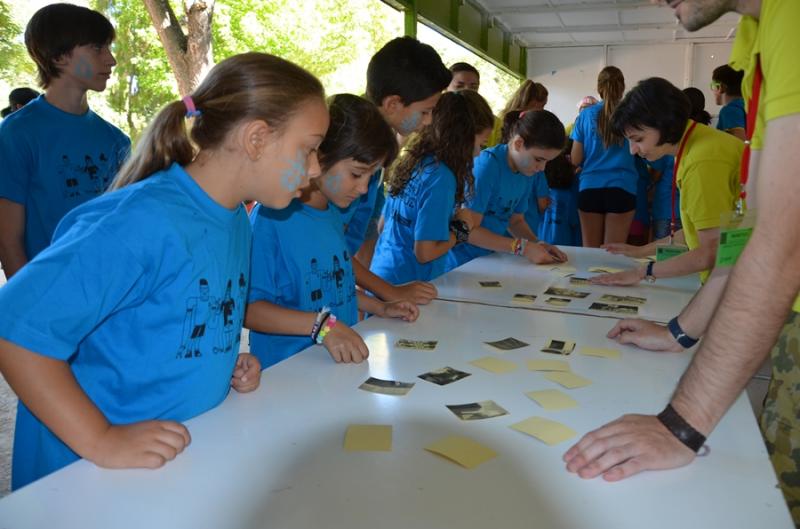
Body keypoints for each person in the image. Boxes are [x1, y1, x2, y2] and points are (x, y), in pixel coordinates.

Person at [0, 51, 330, 489]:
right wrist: (102, 439)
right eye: (308, 148)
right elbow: (16, 330)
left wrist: (221, 362)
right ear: (256, 139)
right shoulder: (143, 221)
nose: (316, 168)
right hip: (84, 478)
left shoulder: (233, 219)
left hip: (169, 467)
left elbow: (179, 318)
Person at [563, 3, 800, 525]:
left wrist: (682, 424)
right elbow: (743, 240)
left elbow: (779, 240)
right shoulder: (761, 38)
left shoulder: (706, 154)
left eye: (636, 139)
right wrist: (678, 332)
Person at [246, 94, 417, 369]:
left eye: (371, 177)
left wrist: (380, 307)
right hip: (288, 375)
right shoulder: (272, 217)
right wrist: (322, 327)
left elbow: (332, 288)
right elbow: (249, 309)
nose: (363, 190)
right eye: (356, 174)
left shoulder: (333, 213)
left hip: (338, 370)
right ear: (320, 156)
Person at [0, 4, 131, 279]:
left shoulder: (116, 140)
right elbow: (8, 239)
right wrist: (30, 306)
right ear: (60, 56)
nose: (111, 60)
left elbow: (123, 227)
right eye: (98, 48)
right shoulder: (17, 134)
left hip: (108, 295)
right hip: (47, 299)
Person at [591, 78, 742, 286]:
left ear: (664, 124)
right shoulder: (696, 145)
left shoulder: (702, 160)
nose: (632, 150)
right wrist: (641, 250)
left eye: (638, 139)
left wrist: (643, 271)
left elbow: (711, 251)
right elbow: (698, 230)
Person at [341, 36, 452, 307]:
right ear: (392, 104)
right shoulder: (347, 151)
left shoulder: (380, 155)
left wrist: (364, 295)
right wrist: (389, 293)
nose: (428, 122)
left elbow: (366, 229)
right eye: (425, 112)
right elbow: (328, 247)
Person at [370, 90, 494, 285]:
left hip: (383, 273)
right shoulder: (441, 178)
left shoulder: (414, 161)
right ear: (460, 137)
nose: (478, 153)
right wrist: (461, 229)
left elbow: (383, 226)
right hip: (409, 284)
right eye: (479, 143)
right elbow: (425, 253)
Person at [445, 110, 569, 271]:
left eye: (547, 162)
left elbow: (515, 220)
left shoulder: (526, 170)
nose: (541, 168)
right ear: (518, 144)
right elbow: (468, 231)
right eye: (539, 159)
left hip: (491, 259)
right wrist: (521, 247)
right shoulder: (488, 166)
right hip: (462, 263)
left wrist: (537, 243)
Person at [570, 66, 639, 248]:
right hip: (622, 187)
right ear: (622, 87)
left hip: (590, 188)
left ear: (599, 88)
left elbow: (576, 159)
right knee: (612, 255)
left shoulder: (584, 116)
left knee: (590, 253)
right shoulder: (633, 115)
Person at [487, 80, 549, 147]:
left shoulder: (502, 119)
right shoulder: (514, 125)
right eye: (542, 105)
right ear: (533, 103)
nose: (542, 110)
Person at [539, 148, 581, 246]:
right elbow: (574, 221)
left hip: (543, 243)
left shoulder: (542, 194)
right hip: (568, 245)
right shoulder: (570, 195)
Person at [712, 63, 746, 140]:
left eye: (713, 86)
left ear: (720, 87)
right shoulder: (746, 106)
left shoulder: (729, 110)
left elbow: (739, 142)